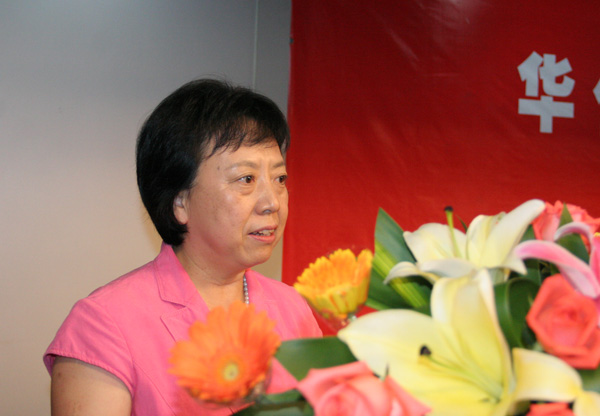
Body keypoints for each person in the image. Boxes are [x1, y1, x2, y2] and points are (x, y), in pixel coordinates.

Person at [44, 79, 322, 415]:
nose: (272, 202)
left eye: (280, 179)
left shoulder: (292, 308)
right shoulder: (103, 325)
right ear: (180, 202)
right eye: (246, 179)